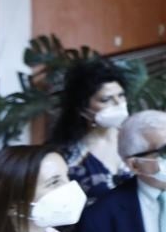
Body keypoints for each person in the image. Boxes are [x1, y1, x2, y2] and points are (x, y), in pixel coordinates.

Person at [49, 59, 132, 205]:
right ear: (83, 108)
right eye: (106, 99)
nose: (119, 103)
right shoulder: (69, 154)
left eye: (121, 95)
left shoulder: (135, 137)